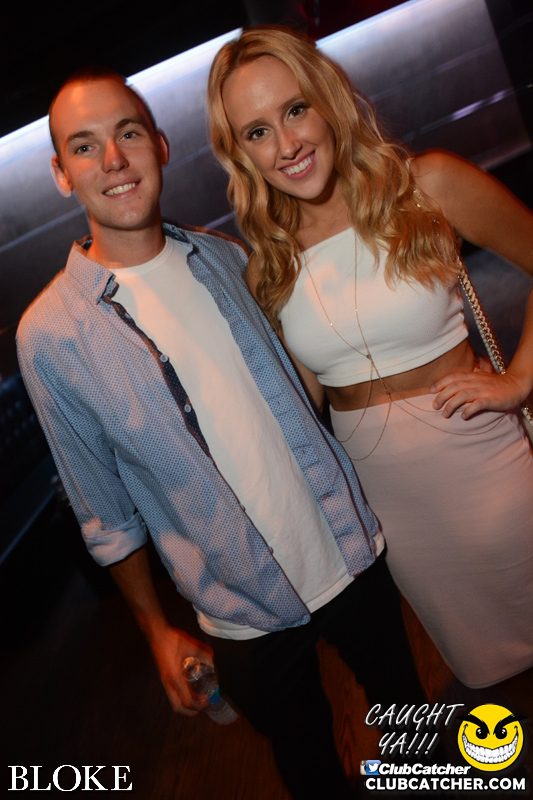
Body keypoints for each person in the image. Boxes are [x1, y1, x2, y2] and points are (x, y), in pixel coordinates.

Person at [16, 67, 427, 800]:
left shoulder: (227, 258)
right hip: (242, 612)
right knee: (310, 772)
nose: (113, 160)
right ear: (60, 173)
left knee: (419, 741)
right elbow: (104, 513)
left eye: (128, 133)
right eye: (84, 146)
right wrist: (156, 630)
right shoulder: (49, 336)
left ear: (161, 146)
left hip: (347, 555)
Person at [207, 26, 533, 692]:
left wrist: (522, 379)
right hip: (389, 507)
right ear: (239, 153)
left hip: (485, 468)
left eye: (295, 109)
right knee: (489, 680)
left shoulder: (428, 184)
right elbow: (302, 410)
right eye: (258, 131)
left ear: (327, 101)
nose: (287, 144)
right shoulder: (269, 264)